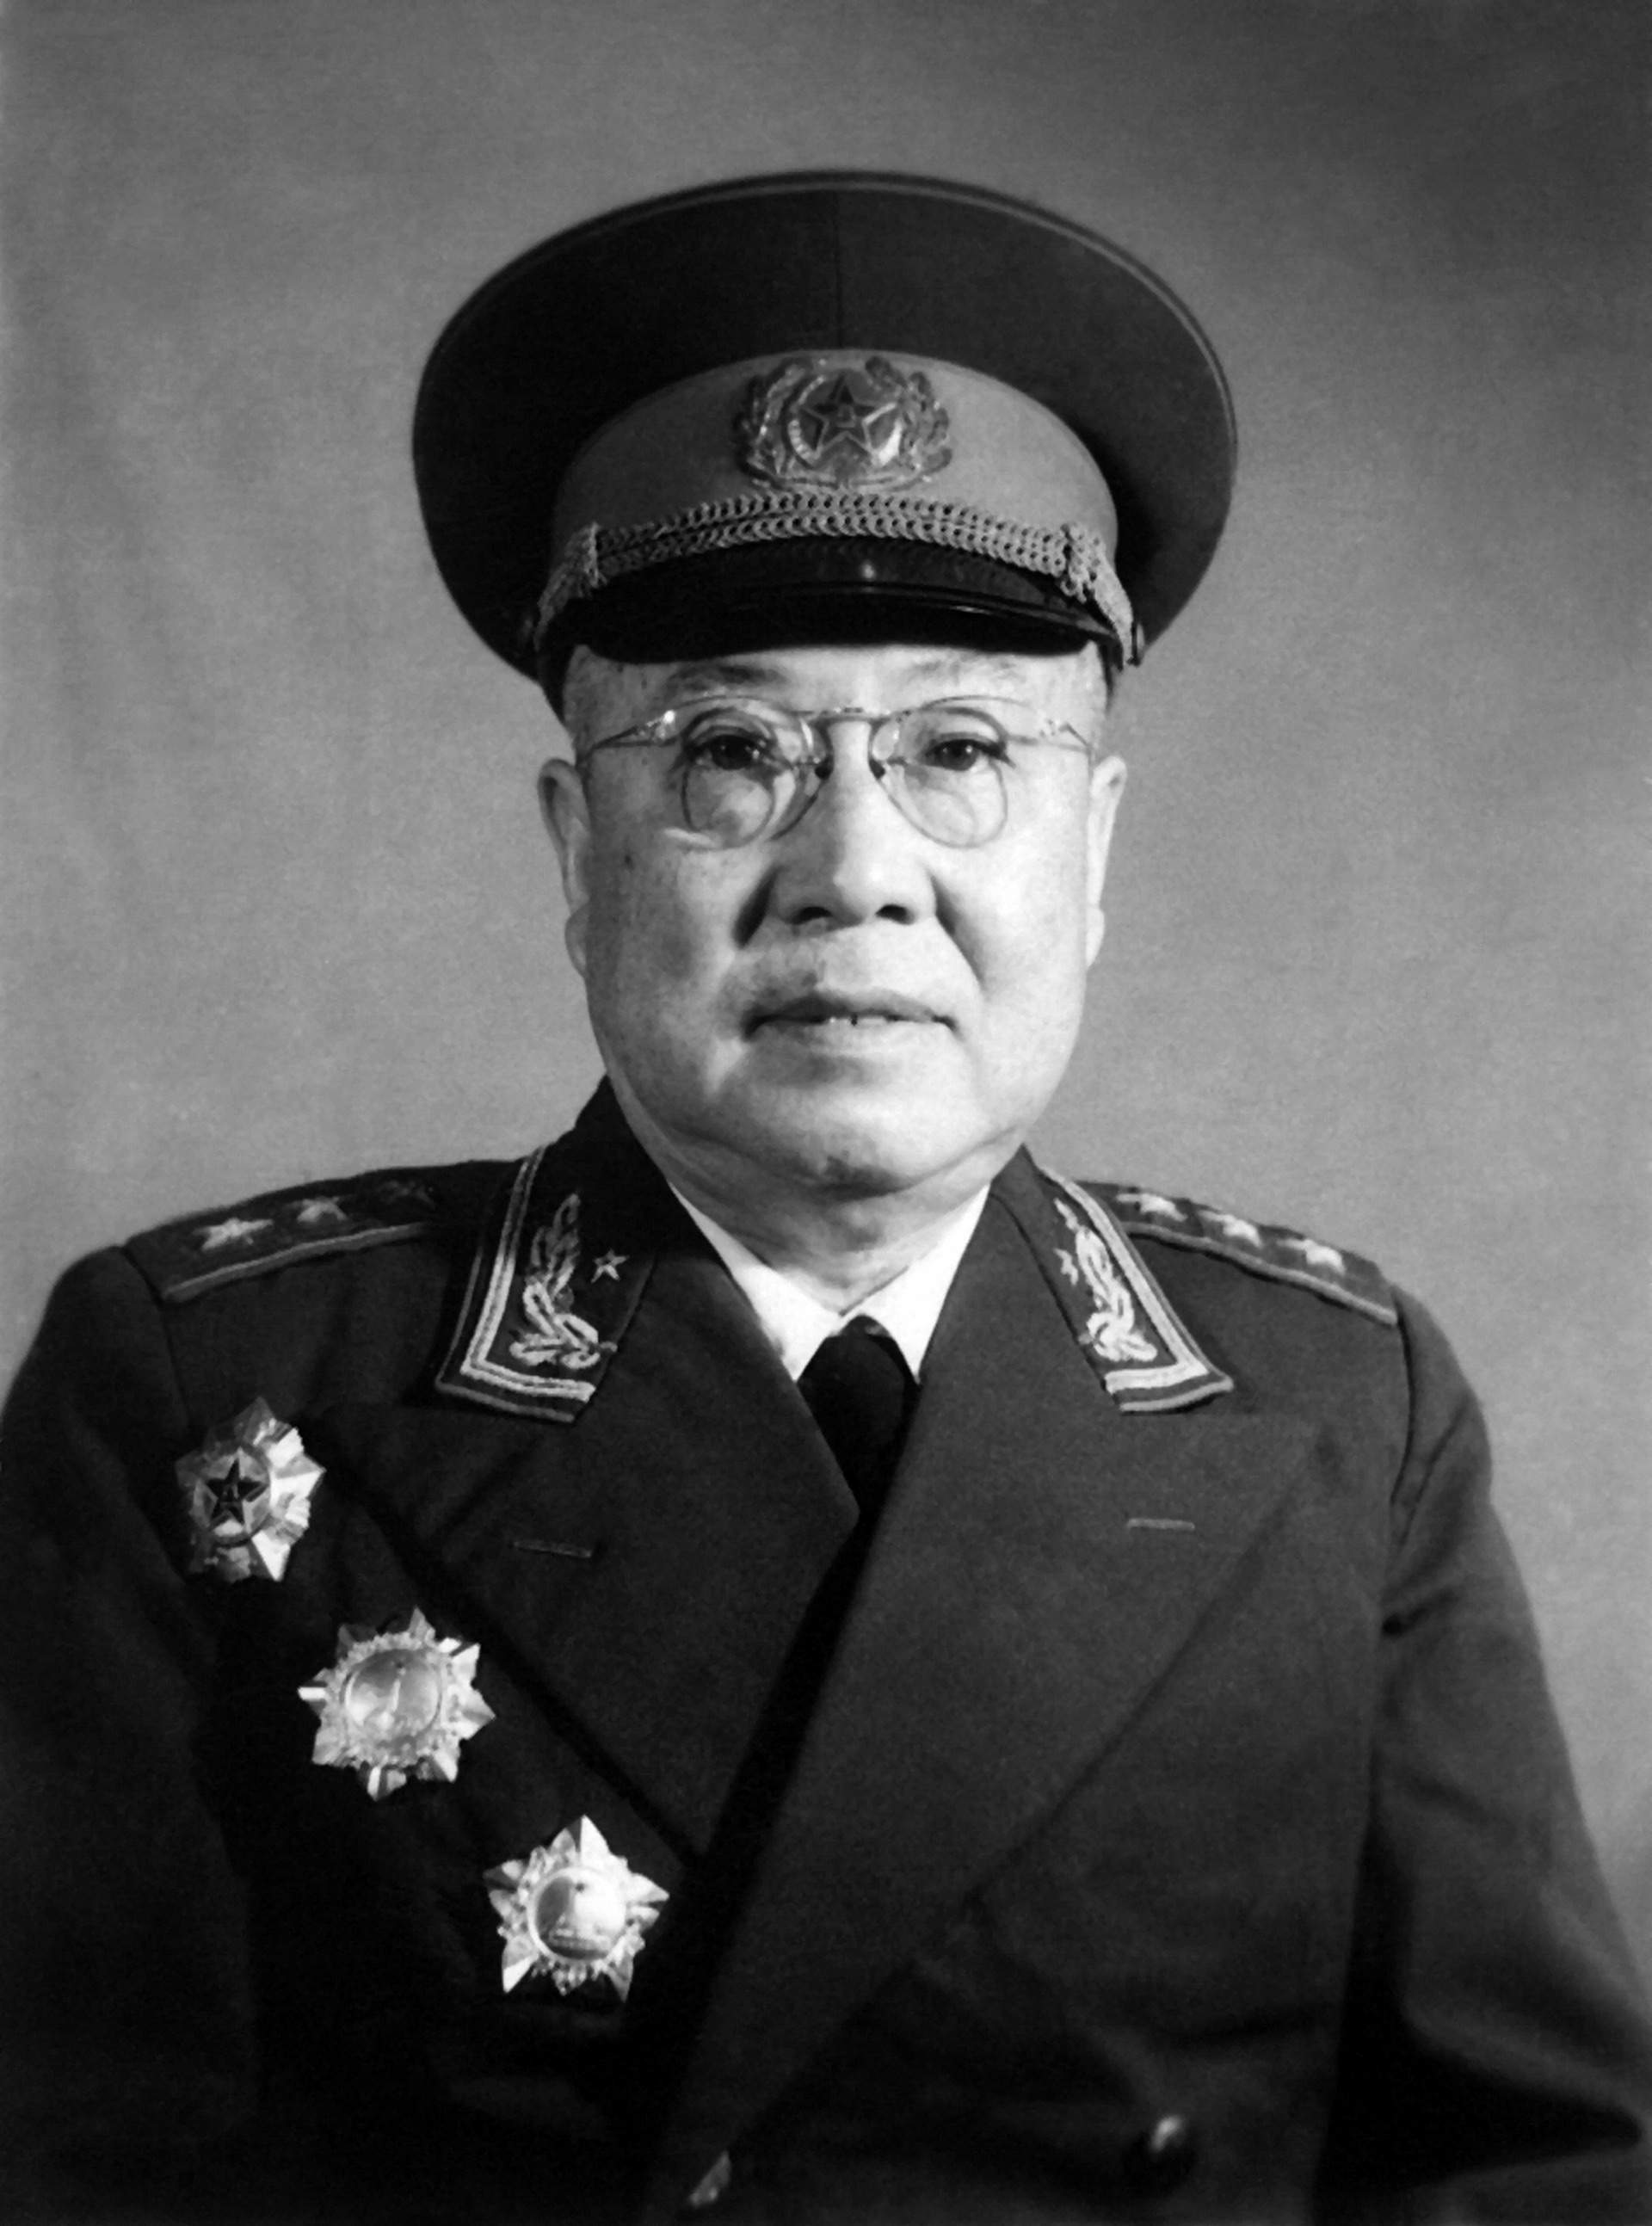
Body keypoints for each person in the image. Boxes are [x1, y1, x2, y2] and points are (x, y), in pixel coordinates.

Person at [3, 171, 1649, 2226]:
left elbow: (1540, 2175)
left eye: (960, 750)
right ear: (580, 853)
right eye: (730, 753)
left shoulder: (1342, 1413)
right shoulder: (210, 1390)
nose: (855, 868)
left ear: (1092, 849)